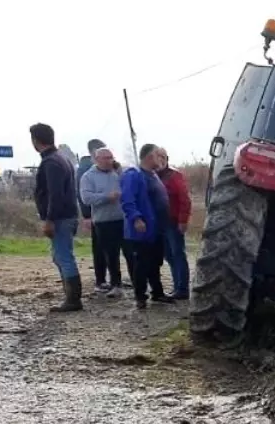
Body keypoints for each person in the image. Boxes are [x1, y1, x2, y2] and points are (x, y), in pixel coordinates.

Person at [30, 123, 83, 312]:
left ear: (36, 141)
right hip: (66, 215)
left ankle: (73, 299)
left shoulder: (51, 162)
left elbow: (55, 194)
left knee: (64, 256)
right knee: (60, 256)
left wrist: (49, 219)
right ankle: (70, 297)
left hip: (60, 218)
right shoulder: (61, 159)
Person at [120, 144, 175, 309]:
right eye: (159, 156)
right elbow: (128, 200)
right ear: (150, 157)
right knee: (142, 263)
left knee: (155, 261)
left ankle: (157, 293)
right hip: (143, 228)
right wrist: (136, 219)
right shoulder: (134, 175)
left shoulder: (153, 175)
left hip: (158, 227)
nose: (162, 159)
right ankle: (140, 296)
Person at [79, 147, 125, 297]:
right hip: (103, 220)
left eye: (111, 157)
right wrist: (107, 197)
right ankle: (112, 283)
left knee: (127, 252)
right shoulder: (88, 177)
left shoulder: (117, 173)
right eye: (105, 158)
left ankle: (119, 281)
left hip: (121, 218)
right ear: (96, 159)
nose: (109, 161)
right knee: (109, 253)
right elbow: (86, 198)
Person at [155, 147, 192, 299]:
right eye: (157, 157)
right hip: (159, 222)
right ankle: (177, 286)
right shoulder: (151, 176)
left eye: (162, 157)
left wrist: (183, 220)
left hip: (173, 221)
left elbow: (185, 199)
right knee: (168, 255)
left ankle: (182, 289)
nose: (160, 160)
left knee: (178, 253)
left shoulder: (174, 175)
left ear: (166, 158)